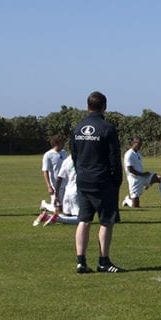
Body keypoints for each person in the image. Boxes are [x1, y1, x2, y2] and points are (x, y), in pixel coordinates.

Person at [70, 91, 124, 273]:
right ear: (104, 106)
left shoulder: (78, 128)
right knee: (105, 222)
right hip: (102, 180)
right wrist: (117, 179)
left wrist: (81, 172)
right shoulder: (107, 128)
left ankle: (80, 261)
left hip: (83, 179)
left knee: (84, 220)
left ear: (87, 106)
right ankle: (103, 260)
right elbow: (114, 157)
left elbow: (74, 154)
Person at [122, 137, 161, 208]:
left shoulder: (138, 154)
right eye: (139, 144)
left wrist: (147, 181)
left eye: (141, 144)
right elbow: (130, 169)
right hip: (134, 179)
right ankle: (127, 200)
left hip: (142, 176)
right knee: (135, 206)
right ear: (134, 143)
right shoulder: (129, 154)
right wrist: (142, 175)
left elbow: (139, 168)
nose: (140, 146)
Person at [35, 154, 81, 226]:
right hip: (77, 192)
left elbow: (59, 178)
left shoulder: (66, 160)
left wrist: (56, 195)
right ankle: (57, 218)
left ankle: (47, 217)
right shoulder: (83, 159)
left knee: (68, 216)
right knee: (83, 220)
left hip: (68, 192)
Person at [40, 134, 68, 212]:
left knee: (64, 208)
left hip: (65, 182)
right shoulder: (48, 155)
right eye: (62, 143)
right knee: (57, 210)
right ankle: (44, 204)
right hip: (55, 184)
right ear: (57, 143)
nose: (64, 144)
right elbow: (45, 171)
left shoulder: (64, 153)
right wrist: (49, 186)